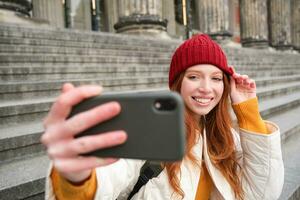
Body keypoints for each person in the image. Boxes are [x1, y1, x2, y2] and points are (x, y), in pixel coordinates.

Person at [41, 34, 284, 200]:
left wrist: (247, 111)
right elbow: (111, 174)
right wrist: (77, 180)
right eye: (194, 77)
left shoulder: (225, 139)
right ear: (177, 84)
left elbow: (262, 193)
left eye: (216, 78)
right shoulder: (150, 131)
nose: (206, 88)